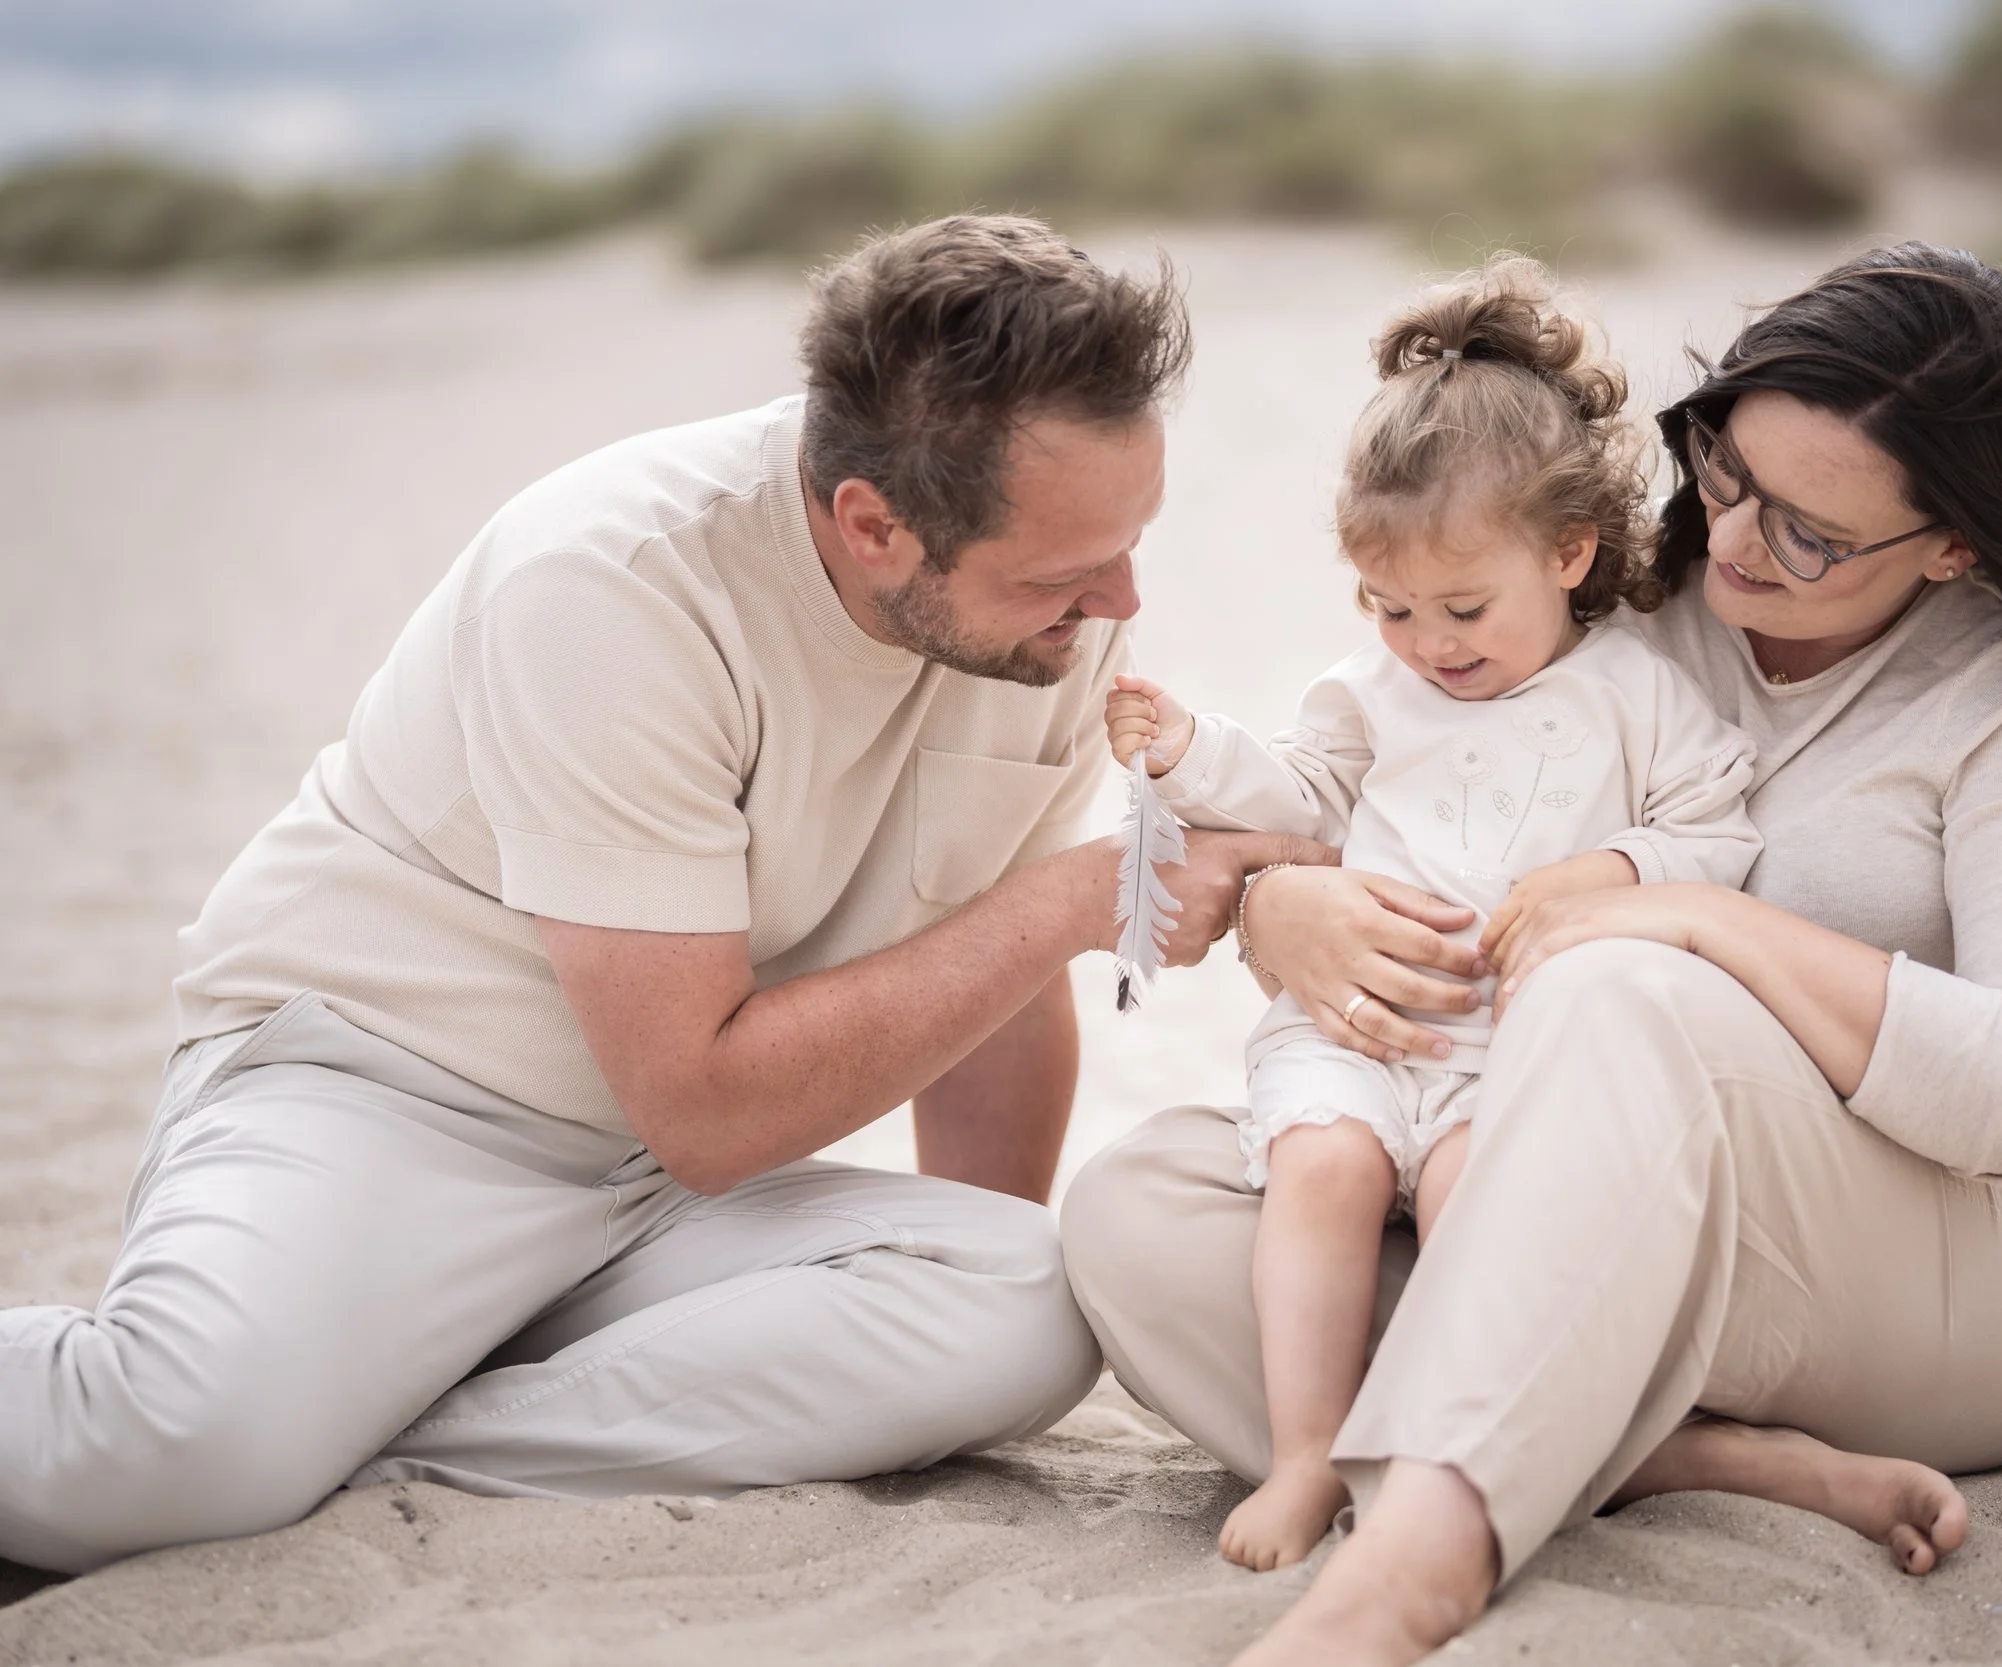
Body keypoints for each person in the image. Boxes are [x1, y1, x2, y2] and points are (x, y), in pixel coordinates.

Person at [0, 214, 1323, 1576]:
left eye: (1127, 542)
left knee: (1022, 1302)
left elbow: (984, 987)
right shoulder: (612, 582)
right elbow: (706, 1103)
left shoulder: (1051, 625)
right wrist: (1083, 897)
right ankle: (290, 1407)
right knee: (163, 1449)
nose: (1118, 598)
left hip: (646, 1191)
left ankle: (383, 1437)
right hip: (374, 1098)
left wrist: (977, 1204)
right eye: (1063, 571)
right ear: (873, 525)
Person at [1061, 241, 2002, 1666]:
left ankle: (1412, 1567)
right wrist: (1286, 909)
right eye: (1723, 474)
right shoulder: (1615, 605)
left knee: (1616, 981)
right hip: (1573, 1173)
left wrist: (1706, 918)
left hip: (1940, 1271)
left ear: (1953, 542)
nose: (1738, 543)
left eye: (1811, 531)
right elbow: (1401, 804)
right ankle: (1699, 1456)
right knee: (1140, 1209)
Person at [1102, 259, 1760, 1571]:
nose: (1429, 642)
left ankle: (1478, 1440)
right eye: (1391, 607)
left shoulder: (1635, 692)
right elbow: (1296, 795)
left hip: (1506, 1059)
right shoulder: (1371, 697)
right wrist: (1188, 749)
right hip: (1357, 1034)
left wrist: (1613, 872)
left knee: (1485, 1199)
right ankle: (1305, 1452)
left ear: (1570, 553)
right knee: (1324, 1170)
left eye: (1464, 608)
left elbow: (1720, 831)